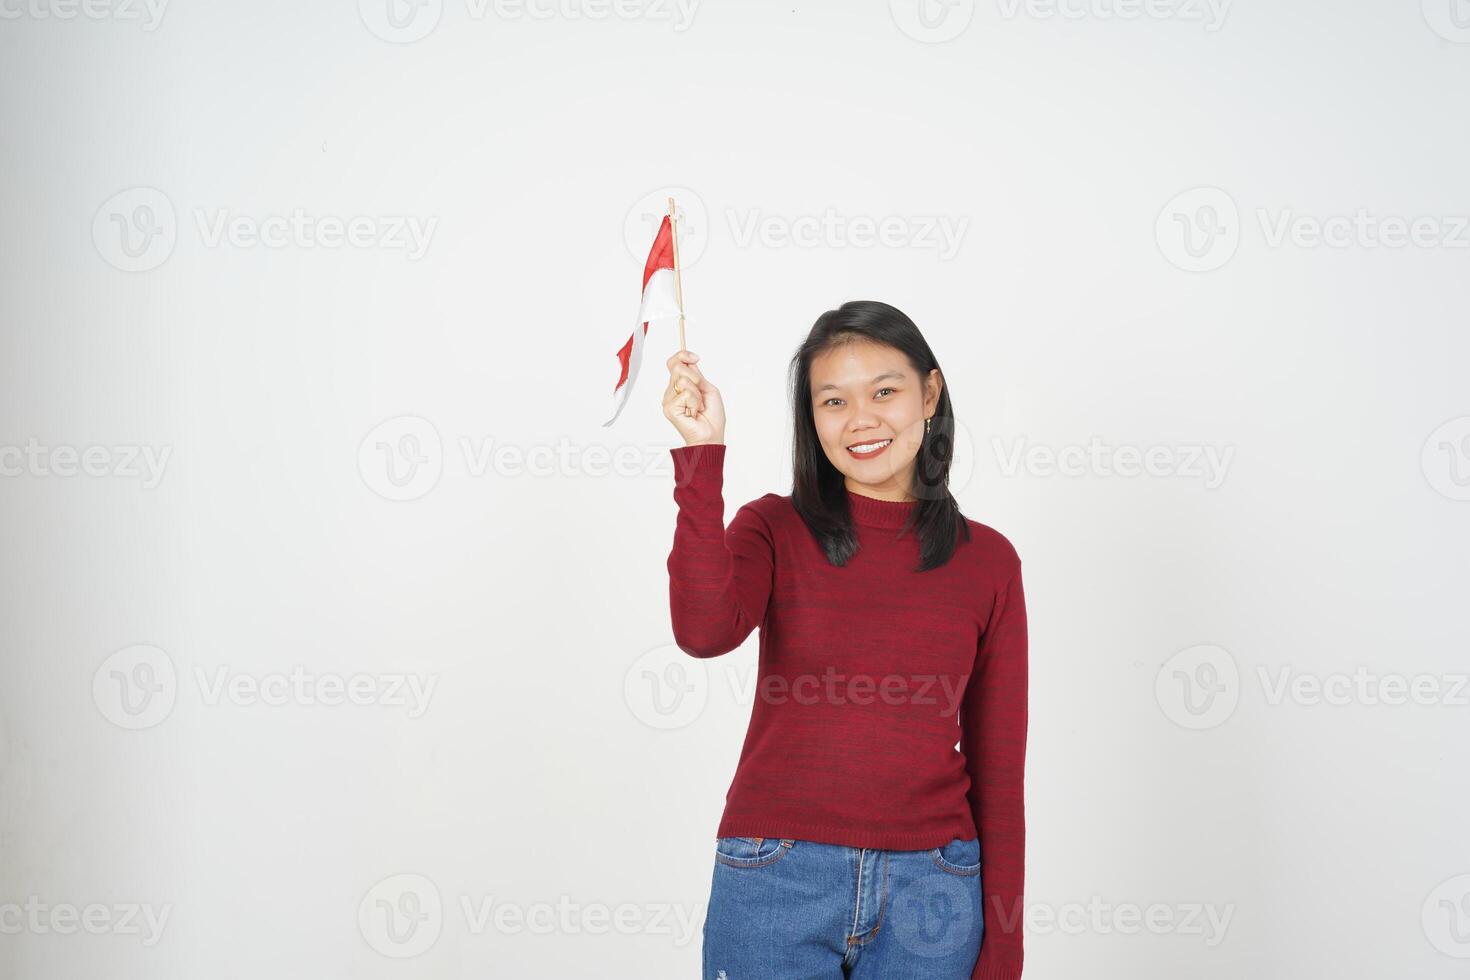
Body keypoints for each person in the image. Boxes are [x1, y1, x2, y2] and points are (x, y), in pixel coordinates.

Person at [662, 300, 1028, 980]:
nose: (861, 419)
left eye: (884, 391)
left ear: (930, 393)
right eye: (834, 400)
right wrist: (699, 454)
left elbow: (1000, 773)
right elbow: (703, 630)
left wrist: (1004, 949)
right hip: (776, 876)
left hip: (936, 892)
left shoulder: (990, 563)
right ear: (812, 418)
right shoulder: (773, 528)